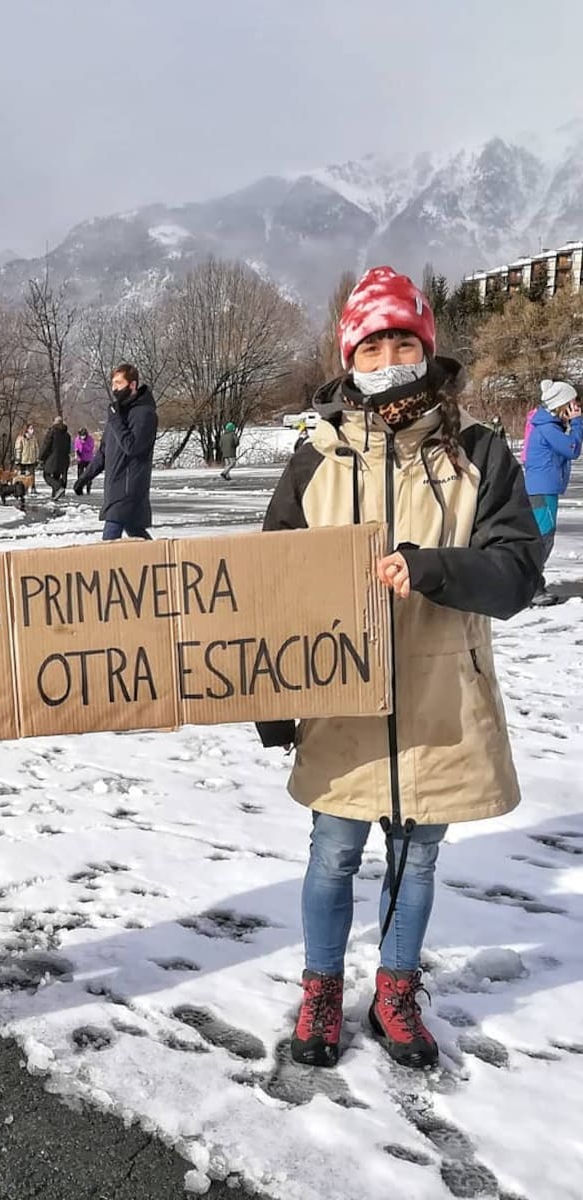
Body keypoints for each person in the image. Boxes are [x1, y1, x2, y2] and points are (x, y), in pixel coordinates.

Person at [256, 266, 542, 1072]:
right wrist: (271, 699)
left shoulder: (479, 452)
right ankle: (321, 988)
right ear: (350, 358)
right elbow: (266, 588)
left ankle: (395, 989)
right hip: (341, 703)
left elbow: (517, 573)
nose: (389, 359)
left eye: (403, 343)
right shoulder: (315, 458)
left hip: (440, 699)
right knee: (332, 854)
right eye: (372, 346)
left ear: (427, 348)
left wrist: (432, 567)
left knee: (417, 858)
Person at [74, 363, 158, 539]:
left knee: (109, 540)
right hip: (115, 486)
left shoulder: (144, 413)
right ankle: (160, 554)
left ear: (132, 385)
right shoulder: (118, 414)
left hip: (130, 487)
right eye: (113, 384)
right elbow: (103, 453)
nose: (114, 389)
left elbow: (132, 447)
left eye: (119, 383)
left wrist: (115, 419)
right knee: (135, 532)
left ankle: (162, 553)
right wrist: (84, 478)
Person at [522, 379, 582, 606]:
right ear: (562, 404)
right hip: (542, 490)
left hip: (544, 488)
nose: (576, 407)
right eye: (573, 403)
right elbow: (572, 449)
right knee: (543, 539)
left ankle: (533, 585)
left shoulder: (547, 425)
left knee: (542, 538)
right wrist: (577, 423)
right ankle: (531, 588)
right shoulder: (547, 428)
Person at [39, 415, 71, 499]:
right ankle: (55, 495)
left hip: (53, 458)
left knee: (46, 475)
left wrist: (41, 457)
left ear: (54, 422)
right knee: (56, 476)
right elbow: (68, 449)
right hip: (63, 459)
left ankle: (59, 488)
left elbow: (46, 446)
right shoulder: (67, 435)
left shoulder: (52, 432)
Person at [14, 423, 38, 492]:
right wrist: (18, 459)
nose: (32, 430)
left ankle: (33, 488)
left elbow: (36, 448)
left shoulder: (33, 438)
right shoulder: (21, 438)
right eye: (30, 428)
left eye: (32, 428)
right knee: (23, 476)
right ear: (26, 429)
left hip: (32, 460)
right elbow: (18, 449)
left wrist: (37, 458)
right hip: (23, 460)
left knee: (32, 475)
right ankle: (22, 489)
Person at [73, 427, 95, 493]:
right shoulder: (77, 439)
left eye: (83, 435)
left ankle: (88, 486)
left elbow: (90, 448)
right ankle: (80, 488)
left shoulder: (90, 439)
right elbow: (76, 447)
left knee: (88, 474)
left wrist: (84, 444)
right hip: (80, 459)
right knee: (80, 474)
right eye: (81, 435)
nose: (82, 437)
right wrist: (77, 452)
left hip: (88, 458)